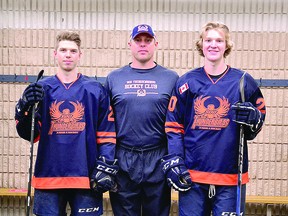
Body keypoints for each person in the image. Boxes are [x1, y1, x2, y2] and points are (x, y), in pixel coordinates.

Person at [161, 21, 266, 215]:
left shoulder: (243, 82)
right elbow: (174, 126)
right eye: (208, 40)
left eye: (219, 40)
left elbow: (254, 126)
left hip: (230, 176)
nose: (213, 44)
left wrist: (255, 120)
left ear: (227, 45)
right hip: (193, 175)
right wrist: (176, 159)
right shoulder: (187, 82)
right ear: (201, 44)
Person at [15, 31, 118, 216]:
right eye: (63, 50)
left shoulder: (95, 90)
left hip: (86, 178)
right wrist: (24, 106)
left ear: (80, 55)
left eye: (72, 50)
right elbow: (28, 133)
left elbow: (107, 134)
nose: (68, 54)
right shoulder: (41, 89)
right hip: (48, 177)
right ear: (55, 54)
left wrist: (106, 163)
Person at [105, 24, 179, 216]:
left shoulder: (171, 78)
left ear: (156, 44)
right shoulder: (114, 78)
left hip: (157, 157)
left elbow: (178, 121)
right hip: (123, 158)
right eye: (138, 40)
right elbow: (105, 122)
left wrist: (176, 157)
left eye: (148, 40)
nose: (143, 44)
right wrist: (105, 157)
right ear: (130, 44)